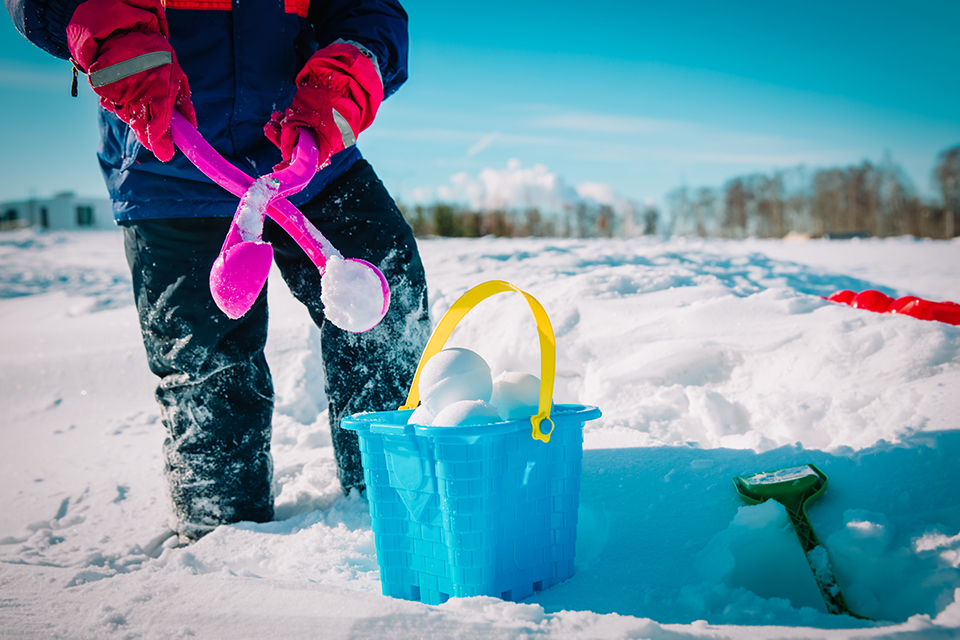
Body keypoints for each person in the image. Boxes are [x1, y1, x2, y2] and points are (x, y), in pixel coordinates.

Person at [6, 0, 430, 543]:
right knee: (206, 369)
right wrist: (99, 23)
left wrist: (352, 67)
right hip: (167, 164)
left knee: (384, 308)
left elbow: (366, 8)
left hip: (309, 146)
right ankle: (226, 554)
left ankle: (398, 502)